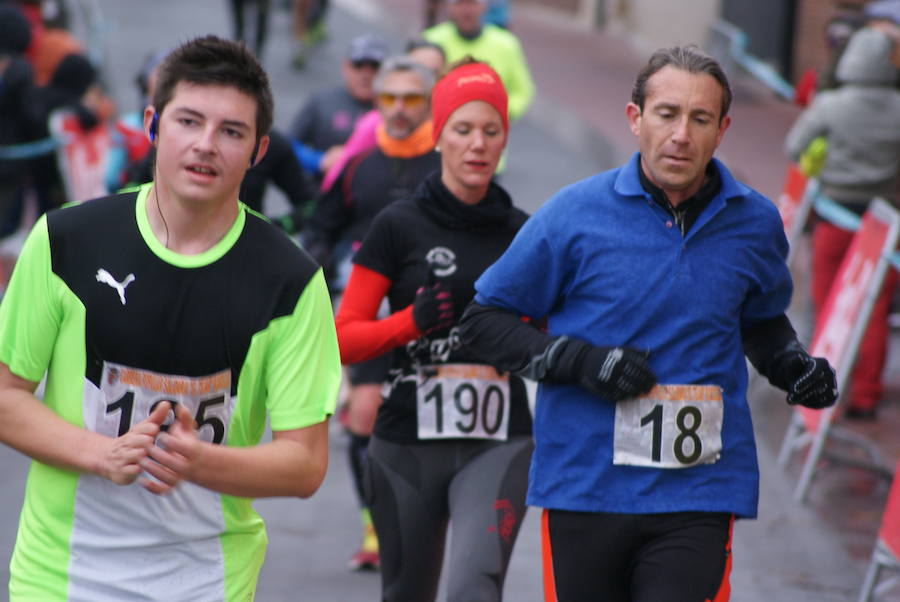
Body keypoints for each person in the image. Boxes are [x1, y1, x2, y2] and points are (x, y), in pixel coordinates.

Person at [459, 46, 838, 602]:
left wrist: (791, 364)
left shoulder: (755, 222)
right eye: (666, 114)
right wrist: (585, 362)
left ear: (722, 129)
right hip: (585, 487)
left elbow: (760, 319)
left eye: (699, 118)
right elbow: (483, 322)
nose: (681, 134)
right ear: (636, 119)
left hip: (699, 491)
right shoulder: (573, 214)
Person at [0, 35, 341, 601]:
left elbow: (304, 463)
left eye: (231, 132)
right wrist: (103, 454)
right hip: (63, 575)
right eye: (189, 121)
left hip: (205, 579)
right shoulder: (67, 241)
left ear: (258, 151)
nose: (206, 145)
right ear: (154, 124)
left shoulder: (290, 281)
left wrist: (200, 461)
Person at [334, 59, 533, 601]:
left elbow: (549, 335)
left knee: (475, 590)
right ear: (439, 135)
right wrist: (409, 323)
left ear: (503, 141)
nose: (477, 144)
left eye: (491, 131)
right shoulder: (399, 225)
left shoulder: (524, 233)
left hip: (499, 440)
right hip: (406, 441)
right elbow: (342, 337)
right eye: (463, 130)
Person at [300, 54, 441, 571]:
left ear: (428, 102)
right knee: (364, 412)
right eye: (390, 98)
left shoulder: (447, 163)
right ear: (376, 102)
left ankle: (427, 518)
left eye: (411, 98)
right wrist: (309, 260)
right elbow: (323, 224)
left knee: (429, 424)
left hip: (440, 315)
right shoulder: (358, 166)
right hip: (374, 314)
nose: (399, 109)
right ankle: (376, 524)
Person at [785, 26, 900, 420]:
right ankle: (867, 395)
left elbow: (794, 148)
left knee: (828, 300)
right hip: (886, 225)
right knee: (875, 308)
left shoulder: (830, 106)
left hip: (834, 216)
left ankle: (822, 388)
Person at [317, 39, 445, 195]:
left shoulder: (451, 127)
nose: (399, 107)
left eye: (434, 72)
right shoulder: (373, 125)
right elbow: (341, 177)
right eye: (390, 98)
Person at [289, 33, 387, 181]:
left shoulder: (394, 109)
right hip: (320, 190)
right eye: (359, 65)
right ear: (345, 67)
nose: (366, 74)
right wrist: (318, 161)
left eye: (374, 66)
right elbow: (288, 145)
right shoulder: (322, 101)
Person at [423, 0, 534, 125]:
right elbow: (417, 85)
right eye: (460, 4)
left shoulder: (506, 44)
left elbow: (522, 91)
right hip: (440, 128)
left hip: (491, 128)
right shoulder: (431, 39)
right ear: (450, 7)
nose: (466, 10)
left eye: (472, 3)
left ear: (484, 6)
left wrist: (499, 111)